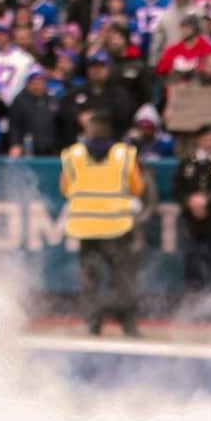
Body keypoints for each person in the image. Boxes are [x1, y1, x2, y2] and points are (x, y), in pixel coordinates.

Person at [59, 112, 145, 337]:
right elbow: (137, 188)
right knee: (122, 279)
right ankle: (128, 324)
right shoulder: (124, 155)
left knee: (90, 279)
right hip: (117, 227)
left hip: (86, 229)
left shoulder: (73, 155)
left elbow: (65, 189)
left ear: (88, 130)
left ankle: (94, 323)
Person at [172, 123, 211, 294]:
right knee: (192, 260)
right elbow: (178, 189)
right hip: (191, 222)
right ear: (198, 140)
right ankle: (193, 295)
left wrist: (207, 201)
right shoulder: (186, 164)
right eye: (207, 139)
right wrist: (190, 202)